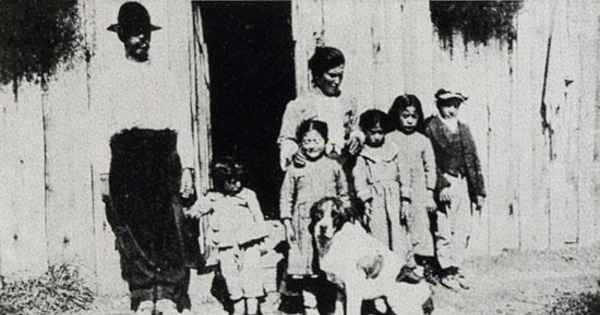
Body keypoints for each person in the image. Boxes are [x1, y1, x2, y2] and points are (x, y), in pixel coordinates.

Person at [98, 2, 196, 314]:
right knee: (133, 227)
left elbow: (183, 122)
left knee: (167, 226)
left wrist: (189, 168)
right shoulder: (109, 80)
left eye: (145, 33)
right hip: (127, 158)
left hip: (163, 156)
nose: (143, 39)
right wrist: (102, 174)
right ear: (123, 36)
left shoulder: (164, 77)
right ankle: (142, 294)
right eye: (135, 34)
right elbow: (99, 128)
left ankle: (166, 292)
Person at [279, 120, 350, 315]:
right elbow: (286, 197)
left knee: (331, 265)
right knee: (306, 270)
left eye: (316, 141)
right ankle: (310, 307)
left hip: (330, 224)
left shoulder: (334, 166)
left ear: (325, 141)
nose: (311, 146)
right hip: (303, 225)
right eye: (307, 141)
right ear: (300, 143)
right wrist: (287, 223)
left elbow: (344, 195)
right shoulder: (295, 168)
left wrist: (345, 218)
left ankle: (334, 305)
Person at [186, 156, 269, 315]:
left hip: (249, 245)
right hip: (226, 247)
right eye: (231, 181)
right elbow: (196, 211)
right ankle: (238, 308)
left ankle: (252, 310)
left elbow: (260, 222)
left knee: (251, 277)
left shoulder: (248, 195)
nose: (237, 184)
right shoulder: (213, 197)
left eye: (239, 180)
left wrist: (251, 235)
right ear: (220, 181)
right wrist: (189, 214)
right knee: (231, 278)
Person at [424, 89, 486, 290]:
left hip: (462, 183)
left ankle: (457, 267)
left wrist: (479, 191)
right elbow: (429, 161)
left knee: (462, 228)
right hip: (444, 183)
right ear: (438, 105)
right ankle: (446, 270)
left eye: (455, 105)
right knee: (444, 229)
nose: (451, 110)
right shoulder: (431, 128)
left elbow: (473, 161)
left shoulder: (464, 129)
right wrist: (440, 185)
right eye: (447, 104)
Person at [352, 109, 420, 284]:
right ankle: (379, 275)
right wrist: (366, 201)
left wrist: (405, 199)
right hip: (375, 199)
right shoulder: (362, 154)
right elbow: (359, 178)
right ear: (365, 132)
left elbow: (403, 173)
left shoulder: (393, 149)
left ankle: (402, 269)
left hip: (394, 197)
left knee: (398, 233)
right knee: (378, 233)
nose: (376, 137)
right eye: (372, 133)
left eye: (380, 133)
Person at [277, 46, 362, 172]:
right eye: (332, 75)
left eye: (340, 75)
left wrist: (356, 138)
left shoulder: (348, 101)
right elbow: (287, 138)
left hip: (344, 168)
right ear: (317, 75)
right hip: (312, 169)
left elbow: (355, 127)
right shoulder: (300, 105)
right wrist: (293, 152)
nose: (337, 81)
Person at [388, 95, 438, 284]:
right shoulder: (390, 138)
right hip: (396, 190)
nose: (409, 120)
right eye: (405, 115)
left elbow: (430, 168)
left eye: (413, 116)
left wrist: (429, 193)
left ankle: (423, 267)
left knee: (420, 227)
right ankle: (401, 268)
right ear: (397, 116)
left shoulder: (422, 140)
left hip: (418, 191)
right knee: (399, 227)